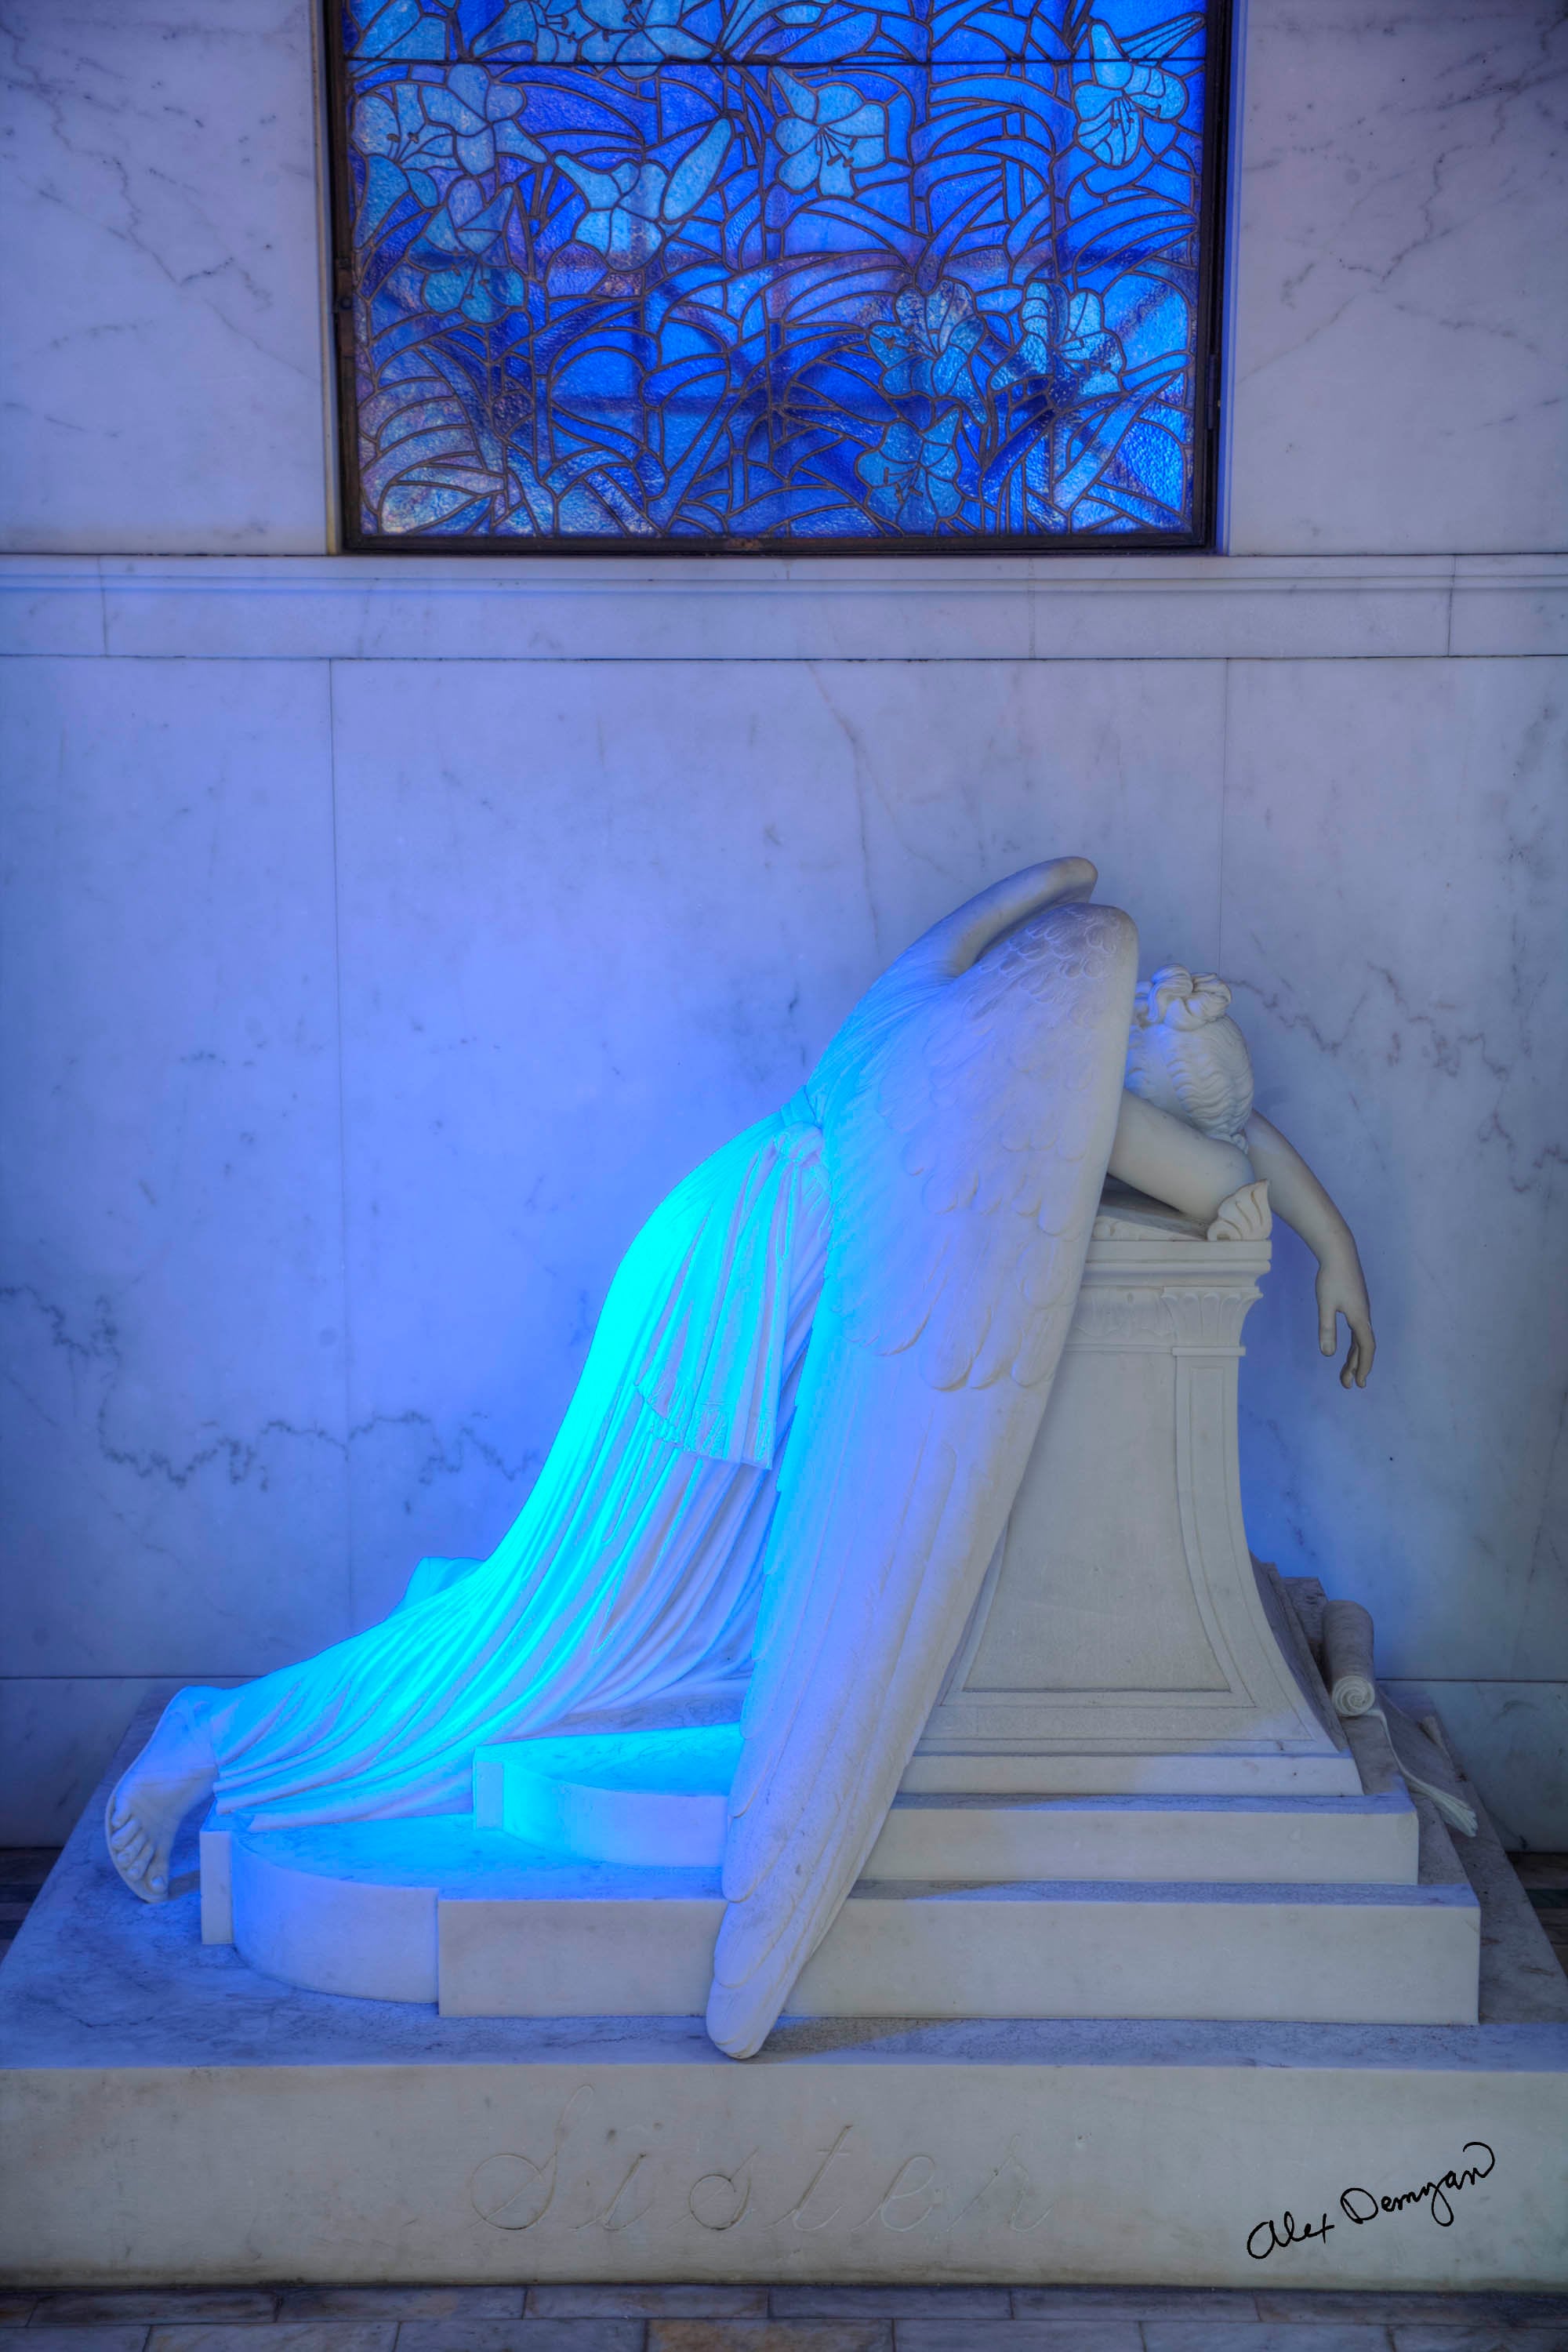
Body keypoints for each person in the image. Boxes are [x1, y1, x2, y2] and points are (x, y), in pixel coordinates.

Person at [107, 862, 1373, 1919]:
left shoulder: (990, 1027)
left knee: (616, 1619)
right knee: (569, 1631)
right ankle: (229, 1738)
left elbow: (1220, 1142)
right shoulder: (1056, 1101)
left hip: (725, 1254)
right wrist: (1308, 1226)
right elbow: (1219, 1173)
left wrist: (1337, 1246)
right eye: (1165, 1058)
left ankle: (251, 1730)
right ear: (1129, 1074)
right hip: (738, 1307)